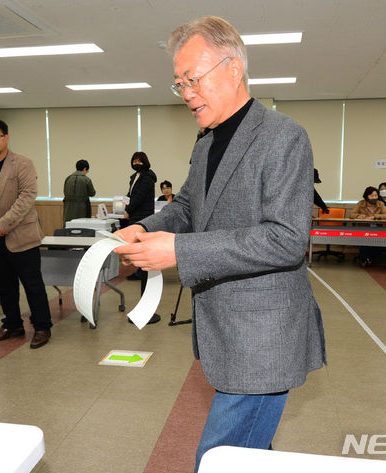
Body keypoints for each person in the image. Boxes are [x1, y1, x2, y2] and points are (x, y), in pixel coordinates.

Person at [112, 17, 325, 471]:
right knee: (250, 458)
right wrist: (146, 228)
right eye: (179, 84)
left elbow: (287, 239)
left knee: (217, 460)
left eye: (193, 79)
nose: (187, 93)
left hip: (263, 339)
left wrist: (179, 252)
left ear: (234, 69)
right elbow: (188, 207)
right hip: (225, 330)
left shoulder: (283, 136)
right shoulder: (207, 144)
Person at [0, 118, 52, 349]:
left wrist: (4, 223)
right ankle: (12, 324)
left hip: (21, 235)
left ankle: (42, 326)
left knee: (32, 284)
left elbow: (27, 196)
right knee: (3, 285)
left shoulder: (22, 163)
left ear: (6, 137)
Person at [124, 151, 157, 283]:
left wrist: (128, 210)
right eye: (134, 161)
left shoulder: (148, 177)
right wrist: (125, 204)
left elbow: (139, 198)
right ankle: (139, 271)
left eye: (139, 161)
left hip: (143, 214)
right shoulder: (135, 177)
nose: (136, 163)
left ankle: (143, 273)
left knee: (141, 245)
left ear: (145, 162)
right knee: (137, 245)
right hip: (135, 213)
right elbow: (131, 195)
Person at [349, 186, 386, 267]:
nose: (374, 198)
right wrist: (358, 216)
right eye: (372, 195)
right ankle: (364, 259)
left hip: (378, 230)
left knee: (375, 240)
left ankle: (369, 258)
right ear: (366, 196)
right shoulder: (361, 204)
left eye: (376, 195)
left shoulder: (380, 204)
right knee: (366, 239)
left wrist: (375, 216)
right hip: (363, 229)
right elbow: (351, 214)